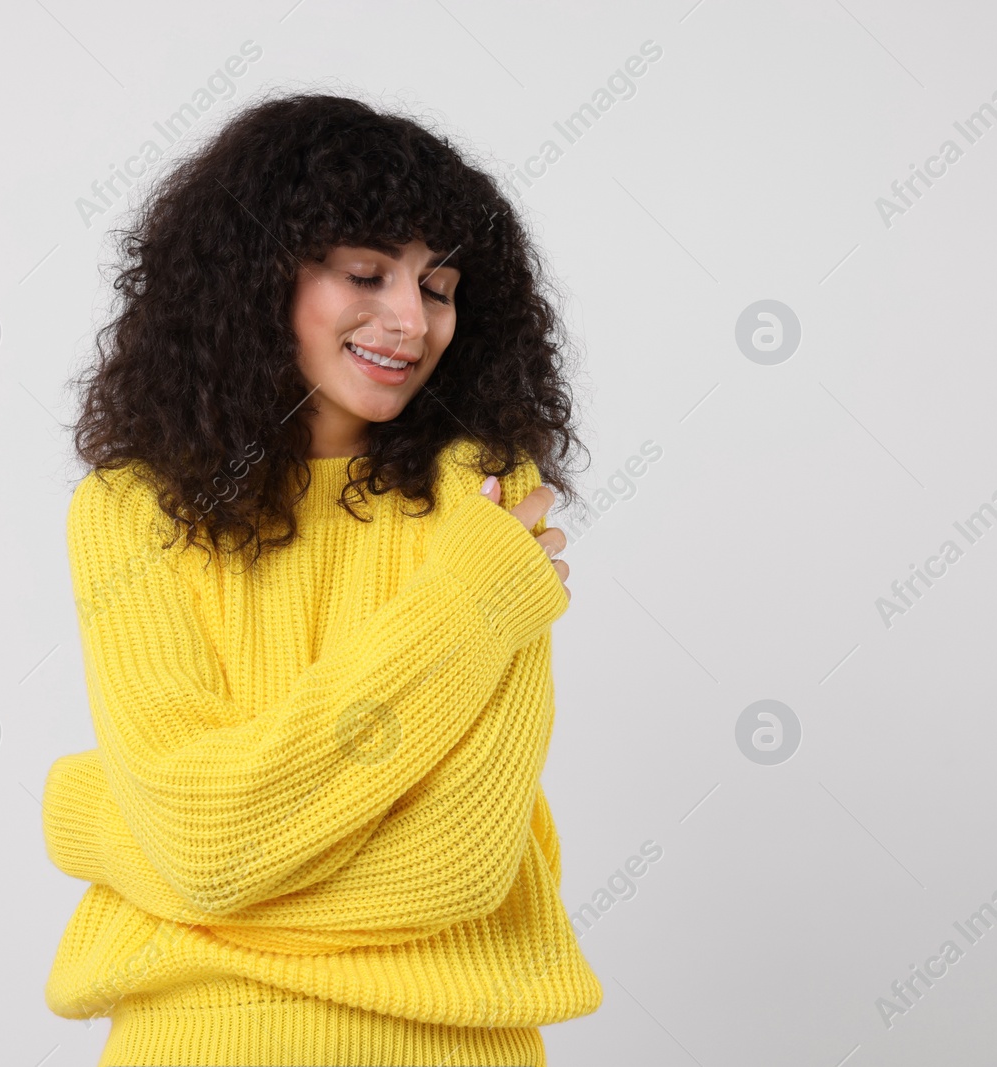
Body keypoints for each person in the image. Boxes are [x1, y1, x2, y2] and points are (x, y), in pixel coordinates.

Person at [39, 91, 601, 1066]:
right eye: (366, 273)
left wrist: (98, 816)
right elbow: (203, 844)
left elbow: (448, 868)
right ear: (260, 277)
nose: (409, 320)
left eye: (438, 286)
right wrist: (469, 606)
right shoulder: (131, 507)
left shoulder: (489, 499)